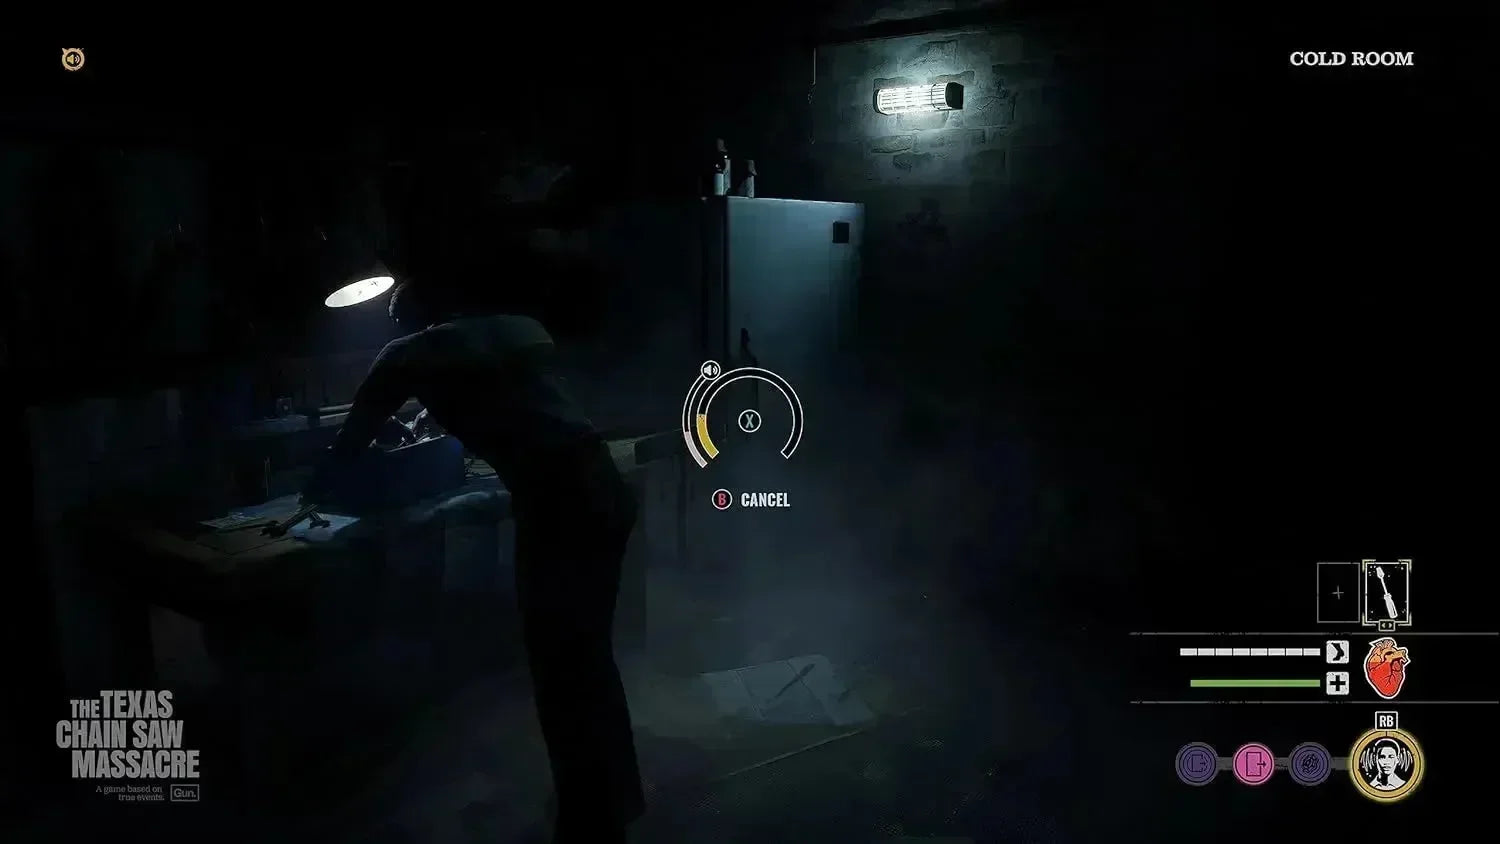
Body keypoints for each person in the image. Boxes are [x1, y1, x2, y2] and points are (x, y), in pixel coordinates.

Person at [304, 278, 644, 843]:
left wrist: (319, 485)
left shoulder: (408, 352)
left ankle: (589, 821)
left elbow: (353, 440)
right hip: (602, 487)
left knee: (561, 669)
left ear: (410, 321)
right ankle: (613, 799)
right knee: (588, 658)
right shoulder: (510, 332)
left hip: (559, 504)